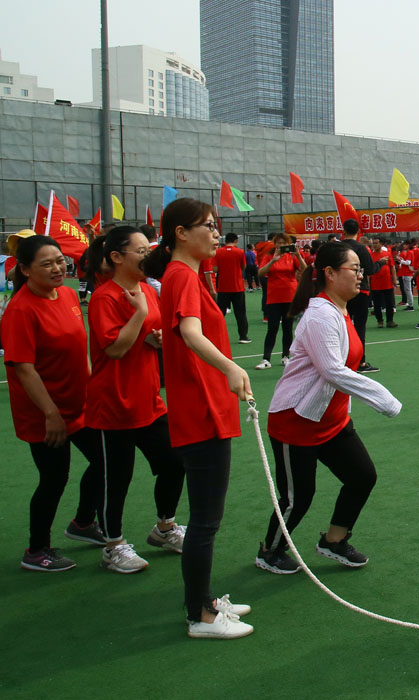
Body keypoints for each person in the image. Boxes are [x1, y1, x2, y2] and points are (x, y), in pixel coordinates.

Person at [255, 241, 402, 575]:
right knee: (298, 498)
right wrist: (384, 400)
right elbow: (333, 371)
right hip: (296, 422)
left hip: (331, 421)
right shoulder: (321, 315)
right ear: (330, 274)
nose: (361, 275)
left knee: (362, 476)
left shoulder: (341, 310)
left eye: (361, 269)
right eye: (355, 269)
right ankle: (270, 551)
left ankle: (334, 540)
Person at [142, 197, 254, 639]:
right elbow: (190, 333)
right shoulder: (182, 275)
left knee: (206, 518)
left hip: (204, 406)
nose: (215, 232)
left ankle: (204, 601)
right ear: (180, 233)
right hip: (201, 409)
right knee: (205, 521)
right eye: (207, 225)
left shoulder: (182, 275)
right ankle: (200, 616)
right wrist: (231, 367)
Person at [83, 226, 187, 574]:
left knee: (175, 461)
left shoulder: (145, 290)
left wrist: (152, 337)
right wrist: (140, 314)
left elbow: (142, 335)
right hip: (113, 404)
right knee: (117, 479)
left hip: (148, 399)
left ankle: (165, 528)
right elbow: (113, 349)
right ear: (116, 257)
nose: (148, 256)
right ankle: (113, 546)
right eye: (141, 251)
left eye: (149, 249)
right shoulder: (105, 297)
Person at [2, 235, 104, 572]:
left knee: (106, 461)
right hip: (44, 413)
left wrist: (91, 386)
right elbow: (24, 369)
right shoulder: (20, 310)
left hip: (80, 404)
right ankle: (37, 550)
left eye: (60, 261)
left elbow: (78, 348)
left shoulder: (69, 295)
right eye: (47, 264)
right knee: (54, 477)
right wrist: (51, 414)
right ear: (25, 270)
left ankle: (83, 522)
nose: (58, 268)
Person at [256, 232, 307, 370]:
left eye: (284, 243)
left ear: (288, 244)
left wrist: (298, 255)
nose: (281, 245)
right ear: (275, 244)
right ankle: (266, 358)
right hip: (274, 296)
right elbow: (261, 273)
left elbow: (305, 269)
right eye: (278, 243)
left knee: (287, 327)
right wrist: (273, 260)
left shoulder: (292, 256)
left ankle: (285, 356)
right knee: (272, 328)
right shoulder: (269, 256)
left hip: (290, 295)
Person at [340, 220, 380, 373]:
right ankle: (360, 362)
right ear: (358, 231)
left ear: (344, 230)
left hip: (341, 291)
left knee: (343, 326)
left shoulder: (338, 247)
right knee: (359, 327)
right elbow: (370, 269)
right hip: (359, 290)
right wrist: (381, 263)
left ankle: (343, 360)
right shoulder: (361, 248)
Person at [214, 232, 251, 344]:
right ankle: (243, 336)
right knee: (240, 313)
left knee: (220, 313)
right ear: (235, 240)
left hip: (223, 287)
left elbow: (215, 269)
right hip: (237, 287)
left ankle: (215, 335)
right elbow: (243, 266)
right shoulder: (240, 252)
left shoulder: (218, 252)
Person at [368, 237, 398, 329]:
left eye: (376, 243)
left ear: (381, 244)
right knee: (377, 304)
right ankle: (380, 321)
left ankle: (390, 321)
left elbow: (392, 267)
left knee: (389, 303)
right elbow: (369, 269)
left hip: (387, 283)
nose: (374, 245)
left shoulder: (387, 254)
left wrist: (394, 279)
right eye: (373, 243)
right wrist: (368, 282)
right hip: (375, 283)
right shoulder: (370, 255)